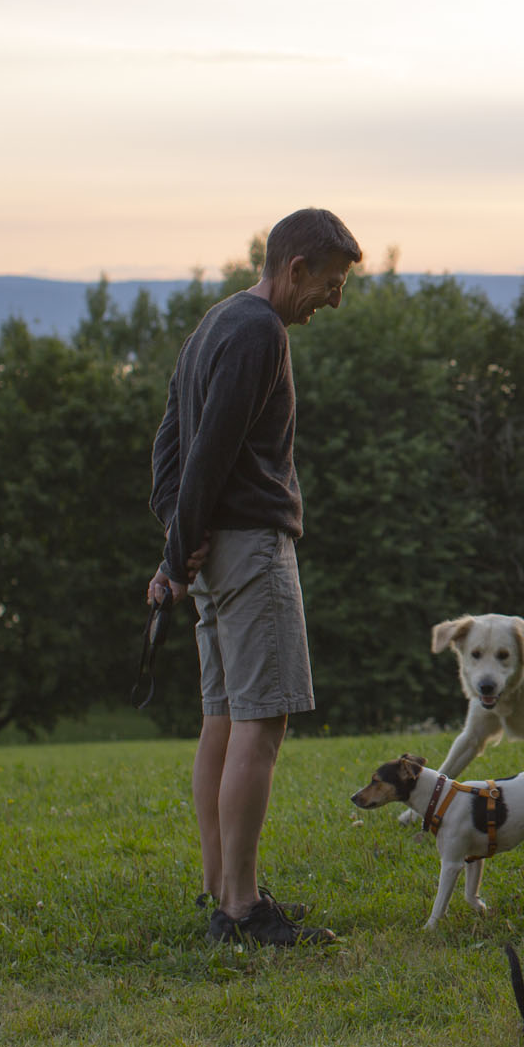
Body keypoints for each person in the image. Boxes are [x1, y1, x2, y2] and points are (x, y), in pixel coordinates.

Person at [148, 207, 362, 945]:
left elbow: (169, 445)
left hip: (216, 554)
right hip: (250, 553)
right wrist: (178, 551)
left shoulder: (216, 321)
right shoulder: (259, 332)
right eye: (331, 284)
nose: (334, 301)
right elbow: (206, 450)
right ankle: (240, 909)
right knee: (261, 722)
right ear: (295, 268)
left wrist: (177, 540)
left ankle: (223, 888)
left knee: (224, 716)